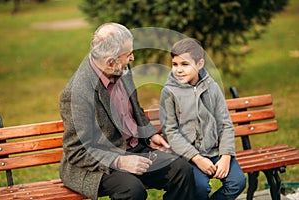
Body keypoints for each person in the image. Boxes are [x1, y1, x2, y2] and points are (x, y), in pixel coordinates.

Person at [59, 22, 197, 200]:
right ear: (110, 61)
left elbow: (134, 108)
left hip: (134, 148)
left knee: (181, 169)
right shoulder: (76, 93)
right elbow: (76, 151)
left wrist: (149, 134)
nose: (132, 58)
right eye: (128, 54)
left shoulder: (121, 66)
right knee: (132, 190)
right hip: (98, 163)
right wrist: (120, 161)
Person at [159, 38, 247, 200]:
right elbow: (171, 132)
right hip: (188, 157)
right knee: (199, 188)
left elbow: (225, 124)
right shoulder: (169, 92)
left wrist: (226, 156)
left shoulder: (212, 88)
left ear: (200, 64)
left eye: (185, 64)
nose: (178, 69)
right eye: (175, 64)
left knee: (238, 182)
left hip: (215, 152)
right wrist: (197, 158)